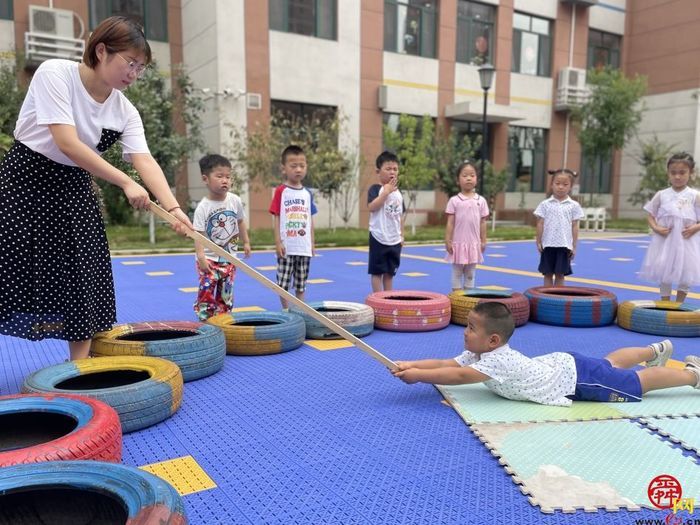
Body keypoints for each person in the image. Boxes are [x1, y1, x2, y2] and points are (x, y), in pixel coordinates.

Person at [0, 16, 192, 361]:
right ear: (101, 51)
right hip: (25, 180)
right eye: (129, 62)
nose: (134, 73)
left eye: (141, 67)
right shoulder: (55, 73)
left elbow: (144, 159)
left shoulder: (125, 110)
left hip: (74, 185)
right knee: (10, 266)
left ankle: (79, 365)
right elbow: (67, 143)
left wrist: (174, 210)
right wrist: (124, 182)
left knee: (85, 272)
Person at [392, 302, 700, 405]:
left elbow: (457, 376)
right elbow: (447, 363)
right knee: (610, 363)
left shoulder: (496, 360)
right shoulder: (480, 353)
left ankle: (691, 375)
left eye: (471, 328)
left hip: (576, 380)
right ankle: (654, 350)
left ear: (493, 340)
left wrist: (418, 377)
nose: (464, 332)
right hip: (565, 364)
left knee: (635, 382)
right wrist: (412, 364)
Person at [193, 154, 251, 321]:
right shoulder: (203, 208)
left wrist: (246, 241)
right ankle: (205, 318)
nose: (225, 180)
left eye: (228, 176)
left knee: (226, 292)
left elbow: (240, 221)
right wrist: (201, 257)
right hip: (209, 259)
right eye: (219, 176)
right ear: (206, 179)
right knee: (207, 290)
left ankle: (223, 318)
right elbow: (198, 233)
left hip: (229, 258)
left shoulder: (235, 201)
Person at [638, 152, 700, 303]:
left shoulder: (694, 195)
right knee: (664, 268)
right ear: (668, 174)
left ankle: (679, 303)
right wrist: (656, 228)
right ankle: (665, 301)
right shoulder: (662, 194)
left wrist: (695, 228)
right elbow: (651, 214)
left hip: (686, 240)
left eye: (682, 173)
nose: (677, 177)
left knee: (686, 271)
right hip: (665, 240)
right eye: (673, 173)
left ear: (690, 173)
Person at [269, 145, 317, 310]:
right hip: (287, 246)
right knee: (283, 282)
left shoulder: (307, 193)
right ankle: (286, 309)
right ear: (284, 169)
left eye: (302, 166)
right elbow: (276, 216)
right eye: (293, 166)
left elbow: (310, 219)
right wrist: (278, 242)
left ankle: (300, 310)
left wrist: (312, 242)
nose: (298, 169)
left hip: (303, 247)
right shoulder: (281, 191)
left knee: (301, 283)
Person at [534, 168, 585, 286]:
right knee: (547, 273)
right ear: (552, 185)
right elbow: (540, 223)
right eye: (557, 184)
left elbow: (575, 226)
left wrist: (574, 246)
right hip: (548, 244)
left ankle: (558, 300)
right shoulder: (545, 204)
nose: (561, 187)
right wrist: (538, 241)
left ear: (571, 186)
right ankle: (547, 298)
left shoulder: (573, 205)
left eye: (565, 184)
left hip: (564, 245)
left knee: (560, 274)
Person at [445, 160, 489, 290]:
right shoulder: (454, 201)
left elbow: (483, 222)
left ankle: (467, 300)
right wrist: (448, 240)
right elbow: (450, 222)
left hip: (473, 244)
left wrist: (483, 240)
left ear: (477, 179)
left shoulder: (481, 201)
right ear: (458, 180)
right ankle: (456, 298)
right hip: (458, 244)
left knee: (470, 273)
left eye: (472, 175)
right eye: (464, 175)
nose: (468, 178)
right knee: (457, 272)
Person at [368, 150, 405, 292]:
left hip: (394, 240)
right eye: (388, 169)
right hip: (379, 237)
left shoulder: (399, 193)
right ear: (378, 171)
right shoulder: (376, 189)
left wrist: (402, 235)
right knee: (377, 272)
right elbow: (372, 207)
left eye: (395, 169)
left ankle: (388, 300)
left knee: (390, 273)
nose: (392, 172)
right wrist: (385, 193)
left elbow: (400, 215)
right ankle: (378, 301)